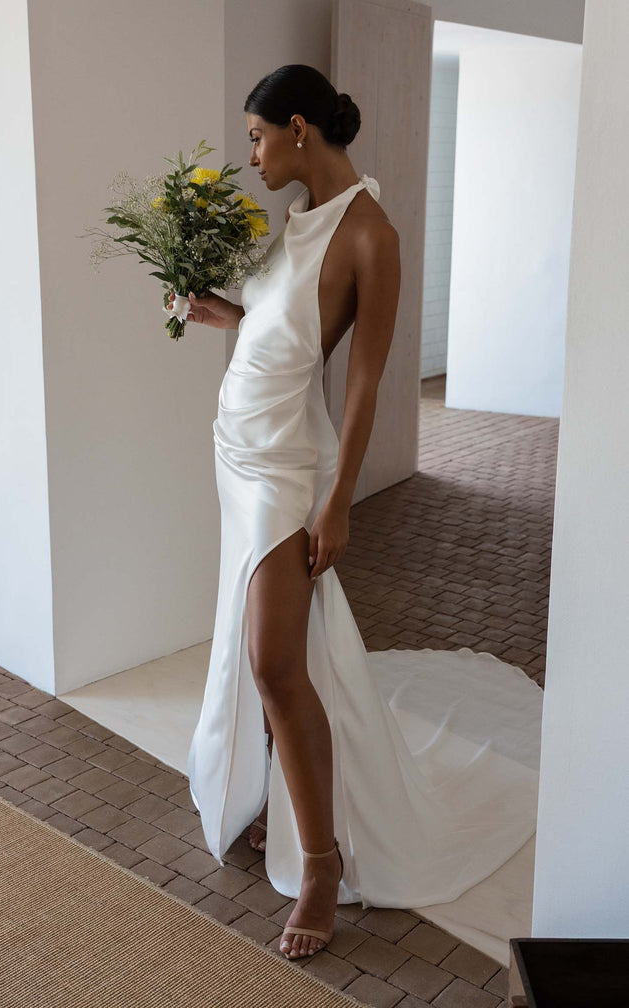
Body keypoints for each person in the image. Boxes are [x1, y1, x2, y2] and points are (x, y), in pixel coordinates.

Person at [185, 64, 543, 963]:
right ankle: (278, 797)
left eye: (258, 138)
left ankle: (320, 864)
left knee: (275, 664)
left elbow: (367, 382)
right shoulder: (294, 222)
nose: (252, 155)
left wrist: (339, 503)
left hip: (286, 469)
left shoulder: (369, 235)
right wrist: (219, 312)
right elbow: (281, 327)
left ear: (299, 127)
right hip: (237, 451)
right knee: (272, 651)